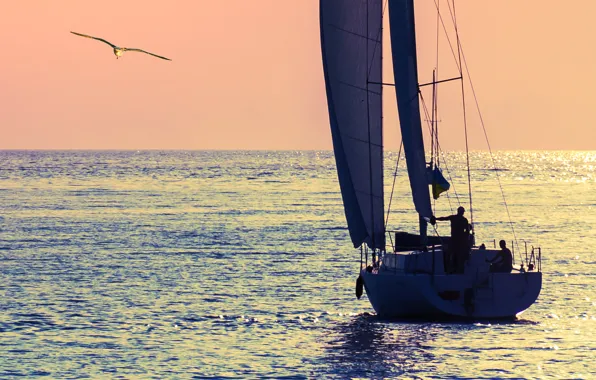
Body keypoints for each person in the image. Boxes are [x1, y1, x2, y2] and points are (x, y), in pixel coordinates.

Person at [430, 206, 470, 274]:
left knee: (452, 253)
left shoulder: (455, 218)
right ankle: (455, 268)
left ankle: (452, 268)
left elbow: (444, 218)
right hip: (458, 240)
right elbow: (467, 232)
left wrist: (436, 218)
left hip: (455, 239)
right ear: (462, 212)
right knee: (456, 254)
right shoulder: (463, 220)